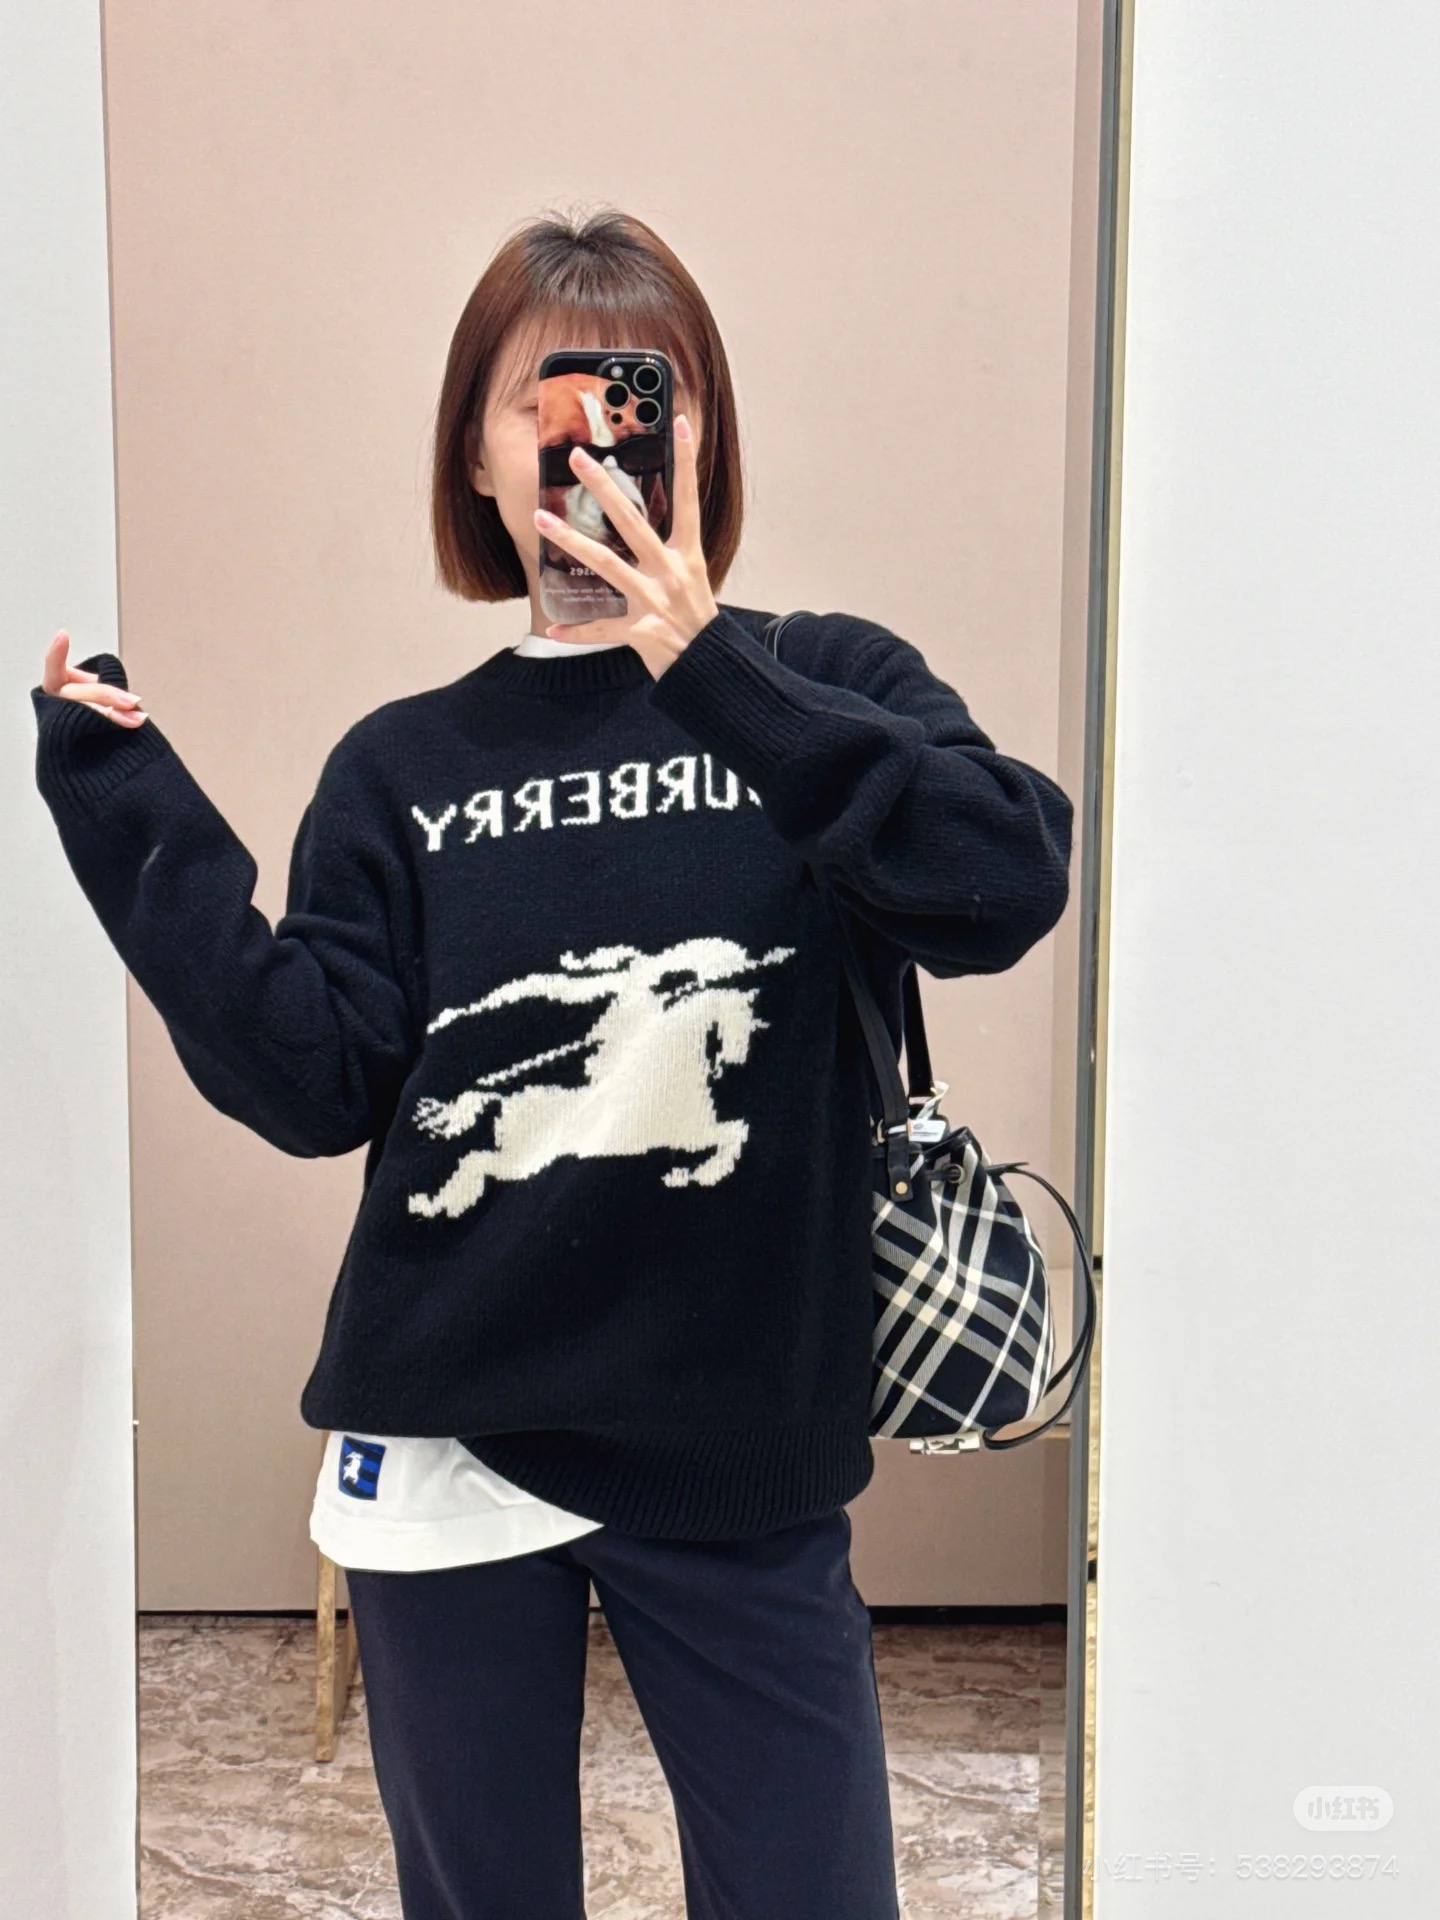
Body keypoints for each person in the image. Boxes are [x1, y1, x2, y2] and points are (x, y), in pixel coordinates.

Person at [30, 206, 1074, 1920]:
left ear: (699, 436)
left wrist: (707, 665)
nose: (591, 435)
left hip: (739, 1443)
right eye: (544, 399)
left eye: (638, 395)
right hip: (452, 1443)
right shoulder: (403, 765)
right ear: (477, 451)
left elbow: (1000, 883)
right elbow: (313, 1083)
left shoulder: (821, 679)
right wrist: (128, 811)